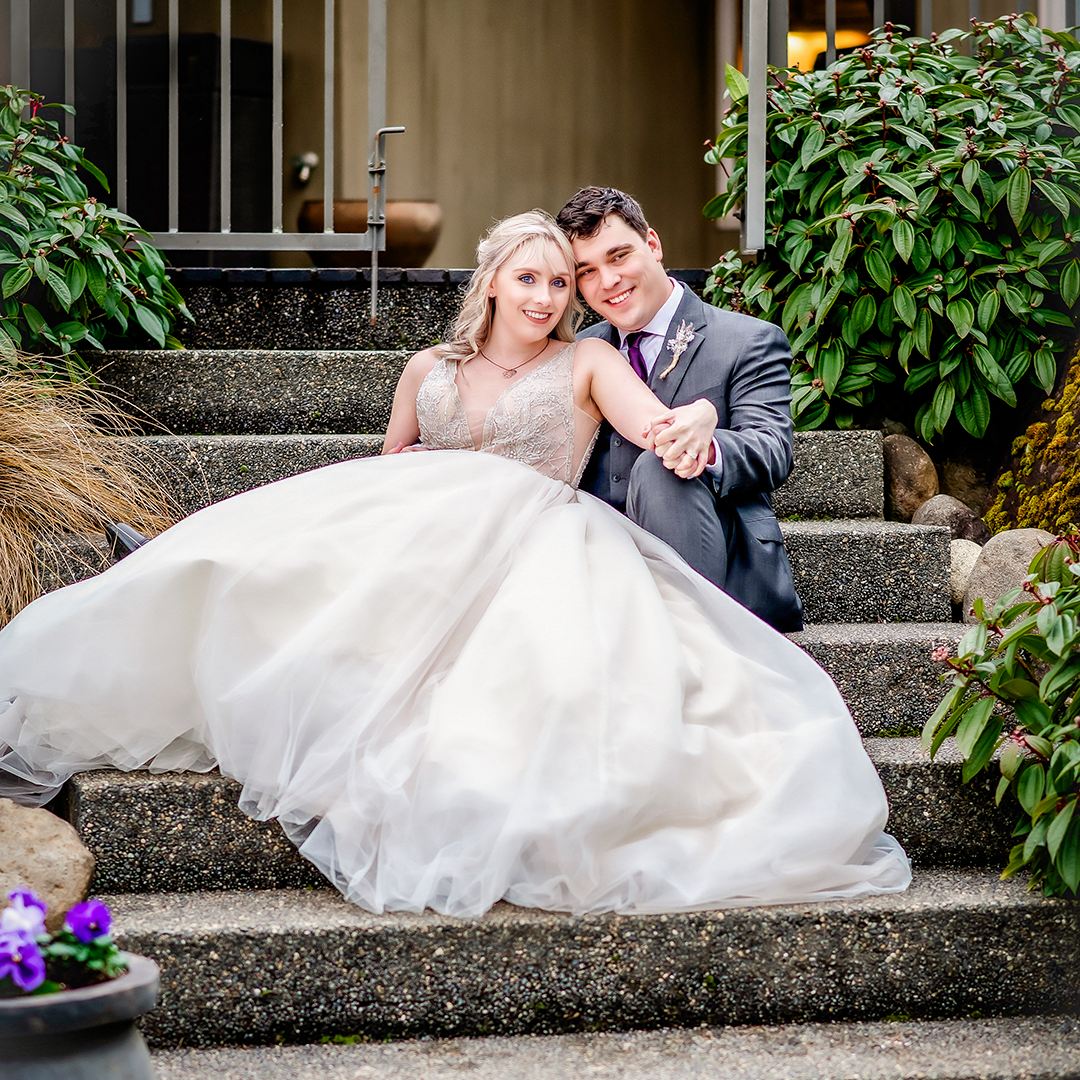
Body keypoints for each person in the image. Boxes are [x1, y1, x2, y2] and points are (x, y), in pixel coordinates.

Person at [0, 212, 909, 918]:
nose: (550, 295)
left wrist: (701, 420)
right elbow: (388, 465)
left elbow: (651, 425)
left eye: (562, 281)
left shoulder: (589, 358)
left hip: (538, 528)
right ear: (492, 282)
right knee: (287, 564)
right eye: (531, 278)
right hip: (427, 515)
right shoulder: (425, 364)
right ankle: (169, 573)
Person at [557, 188, 804, 632]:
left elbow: (771, 451)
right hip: (601, 569)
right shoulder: (576, 353)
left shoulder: (747, 340)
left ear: (652, 244)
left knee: (660, 468)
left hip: (717, 564)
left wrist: (707, 447)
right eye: (587, 271)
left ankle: (692, 640)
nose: (608, 280)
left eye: (618, 256)